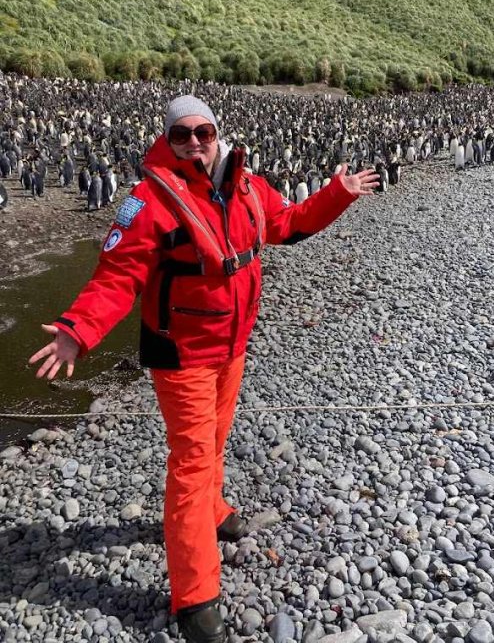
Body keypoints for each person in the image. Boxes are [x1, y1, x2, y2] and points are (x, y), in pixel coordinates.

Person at [29, 95, 380, 643]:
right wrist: (78, 331)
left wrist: (337, 194)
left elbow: (287, 223)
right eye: (182, 133)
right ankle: (195, 596)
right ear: (167, 140)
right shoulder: (148, 202)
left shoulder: (246, 184)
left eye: (204, 130)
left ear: (218, 132)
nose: (195, 140)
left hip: (231, 344)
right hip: (181, 353)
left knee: (215, 441)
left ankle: (214, 512)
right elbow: (117, 275)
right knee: (192, 462)